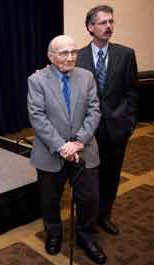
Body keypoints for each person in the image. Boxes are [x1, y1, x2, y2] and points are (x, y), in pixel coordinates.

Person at [27, 35, 106, 264]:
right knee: (50, 200)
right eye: (64, 53)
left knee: (89, 198)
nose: (70, 57)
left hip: (85, 149)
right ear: (51, 57)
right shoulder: (37, 80)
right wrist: (62, 146)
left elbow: (94, 112)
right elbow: (37, 116)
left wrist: (79, 141)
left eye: (73, 52)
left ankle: (86, 236)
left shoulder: (87, 77)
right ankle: (53, 233)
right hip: (50, 152)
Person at [76, 5, 138, 235]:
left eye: (111, 22)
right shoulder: (78, 57)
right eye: (103, 23)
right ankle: (87, 220)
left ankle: (105, 216)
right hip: (87, 133)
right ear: (90, 27)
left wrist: (129, 125)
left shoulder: (126, 54)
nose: (109, 26)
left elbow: (132, 92)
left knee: (111, 177)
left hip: (116, 130)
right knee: (87, 181)